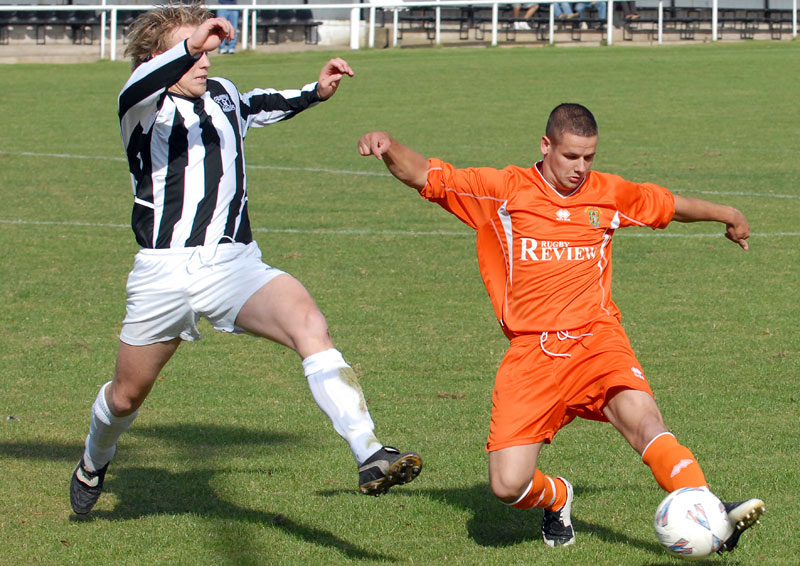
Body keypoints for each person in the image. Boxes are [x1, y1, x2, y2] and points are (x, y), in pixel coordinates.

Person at [357, 103, 764, 551]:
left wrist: (728, 213)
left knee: (645, 422)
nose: (580, 167)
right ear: (545, 145)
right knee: (507, 485)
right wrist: (388, 146)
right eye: (571, 156)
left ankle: (711, 513)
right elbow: (426, 175)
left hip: (596, 339)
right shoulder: (502, 191)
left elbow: (669, 205)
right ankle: (557, 496)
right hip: (532, 354)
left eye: (589, 157)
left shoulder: (608, 193)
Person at [69, 4, 422, 516]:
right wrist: (190, 45)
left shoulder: (222, 94)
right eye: (194, 54)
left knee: (309, 324)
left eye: (206, 52)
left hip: (233, 264)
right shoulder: (141, 105)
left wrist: (316, 91)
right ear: (157, 58)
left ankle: (368, 451)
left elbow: (257, 104)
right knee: (126, 396)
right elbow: (141, 83)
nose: (205, 61)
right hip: (164, 272)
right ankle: (94, 460)